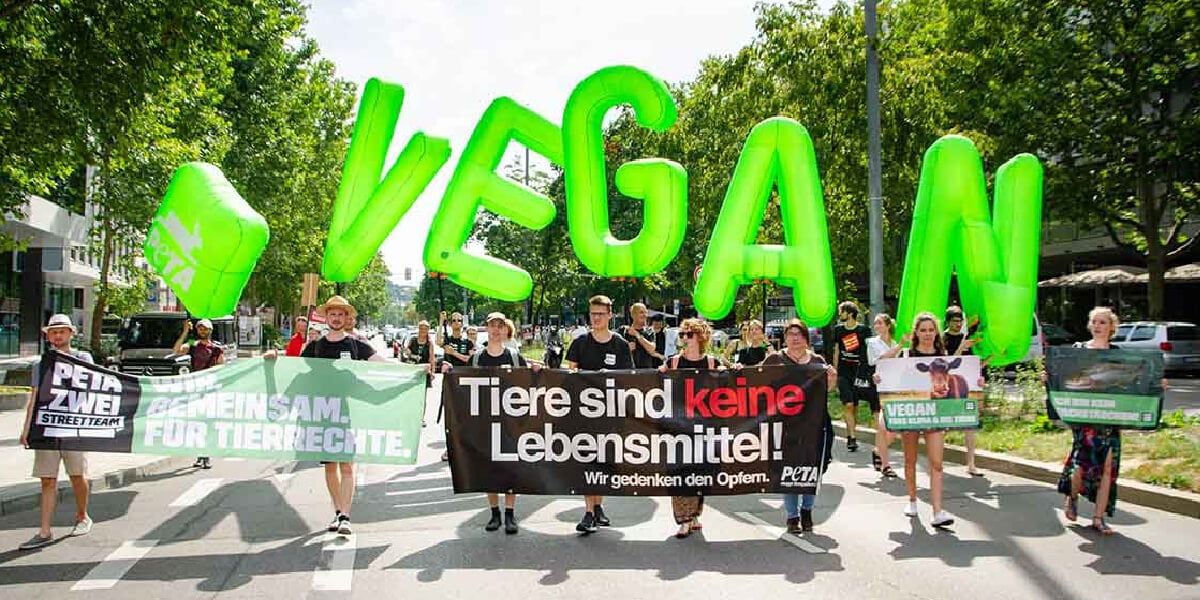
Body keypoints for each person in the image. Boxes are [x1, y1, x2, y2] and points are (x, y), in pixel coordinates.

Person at [268, 295, 391, 536]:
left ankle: (345, 515)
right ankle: (337, 512)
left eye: (341, 314)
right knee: (330, 466)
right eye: (332, 314)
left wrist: (417, 370)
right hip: (321, 413)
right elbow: (295, 370)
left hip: (348, 413)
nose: (336, 318)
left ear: (347, 318)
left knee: (347, 465)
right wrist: (273, 361)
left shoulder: (356, 346)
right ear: (326, 317)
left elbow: (384, 364)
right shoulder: (314, 347)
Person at [442, 312, 540, 534]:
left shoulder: (515, 357)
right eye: (491, 326)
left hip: (510, 422)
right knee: (488, 467)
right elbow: (464, 384)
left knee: (511, 467)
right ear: (487, 329)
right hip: (485, 423)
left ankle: (510, 514)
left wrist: (536, 372)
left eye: (500, 326)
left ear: (506, 330)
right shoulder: (477, 358)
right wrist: (450, 371)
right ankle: (494, 513)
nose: (495, 330)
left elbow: (528, 384)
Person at [17, 314, 95, 550]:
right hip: (47, 428)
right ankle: (44, 531)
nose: (58, 335)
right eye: (53, 332)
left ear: (71, 333)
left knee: (77, 475)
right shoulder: (41, 365)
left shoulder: (83, 358)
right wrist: (27, 428)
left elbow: (96, 389)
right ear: (48, 336)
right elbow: (35, 397)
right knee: (47, 480)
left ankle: (82, 516)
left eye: (62, 331)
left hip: (74, 428)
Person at [876, 312, 957, 528]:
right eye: (923, 330)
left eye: (931, 330)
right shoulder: (906, 355)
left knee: (936, 463)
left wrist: (976, 380)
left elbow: (957, 378)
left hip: (935, 414)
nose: (928, 334)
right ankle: (912, 500)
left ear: (936, 332)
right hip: (911, 413)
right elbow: (883, 366)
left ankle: (937, 511)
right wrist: (880, 377)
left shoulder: (943, 356)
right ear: (916, 333)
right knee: (910, 460)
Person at [1057, 306, 1130, 535]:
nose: (1098, 326)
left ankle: (1098, 519)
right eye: (1095, 322)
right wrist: (1048, 378)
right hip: (1085, 417)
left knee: (1108, 466)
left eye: (1103, 322)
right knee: (1081, 464)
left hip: (1110, 417)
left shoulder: (1118, 354)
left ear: (1112, 327)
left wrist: (1157, 384)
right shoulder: (1079, 350)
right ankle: (1073, 496)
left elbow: (1130, 383)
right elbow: (1065, 378)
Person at [565, 294, 633, 534]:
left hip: (610, 414)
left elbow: (629, 379)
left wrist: (610, 376)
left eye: (600, 314)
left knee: (603, 463)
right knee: (586, 461)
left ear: (609, 316)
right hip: (584, 413)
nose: (595, 318)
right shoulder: (580, 342)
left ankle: (598, 506)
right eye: (592, 314)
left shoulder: (620, 345)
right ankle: (589, 512)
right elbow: (568, 374)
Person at [762, 318, 836, 534]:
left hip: (815, 424)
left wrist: (831, 378)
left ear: (806, 338)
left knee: (812, 468)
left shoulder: (817, 360)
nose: (795, 338)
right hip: (785, 426)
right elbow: (755, 382)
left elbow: (827, 390)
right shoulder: (775, 359)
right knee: (789, 469)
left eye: (799, 334)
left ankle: (807, 511)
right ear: (785, 338)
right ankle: (792, 516)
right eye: (791, 334)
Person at [659, 318, 722, 538]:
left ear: (701, 337)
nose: (684, 338)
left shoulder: (712, 363)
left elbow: (731, 385)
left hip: (704, 428)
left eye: (689, 334)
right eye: (682, 334)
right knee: (679, 472)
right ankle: (683, 519)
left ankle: (694, 515)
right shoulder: (674, 362)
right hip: (677, 427)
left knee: (701, 474)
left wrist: (738, 370)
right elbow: (654, 381)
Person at [174, 317, 225, 470]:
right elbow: (177, 350)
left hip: (209, 388)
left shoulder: (216, 348)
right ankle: (199, 455)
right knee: (196, 422)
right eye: (200, 328)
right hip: (195, 388)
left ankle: (206, 455)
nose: (202, 331)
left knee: (207, 422)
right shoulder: (193, 344)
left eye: (205, 328)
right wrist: (185, 332)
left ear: (210, 330)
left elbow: (222, 367)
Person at [943, 306, 983, 476]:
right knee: (942, 426)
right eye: (955, 321)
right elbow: (946, 363)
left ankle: (971, 464)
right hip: (947, 387)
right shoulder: (942, 338)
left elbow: (974, 364)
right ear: (948, 322)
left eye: (960, 321)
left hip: (966, 387)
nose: (958, 324)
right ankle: (937, 461)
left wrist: (992, 358)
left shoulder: (967, 337)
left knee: (970, 425)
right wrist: (961, 347)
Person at [866, 313, 902, 479]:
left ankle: (877, 451)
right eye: (875, 324)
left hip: (895, 386)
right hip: (879, 386)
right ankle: (886, 465)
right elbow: (880, 359)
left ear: (888, 325)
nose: (877, 326)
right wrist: (900, 346)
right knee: (882, 425)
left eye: (880, 323)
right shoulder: (872, 343)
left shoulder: (894, 343)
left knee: (893, 427)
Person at [832, 301, 872, 452]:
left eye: (841, 311)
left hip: (858, 372)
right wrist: (835, 372)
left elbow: (868, 352)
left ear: (849, 313)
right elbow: (836, 350)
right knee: (848, 404)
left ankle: (851, 432)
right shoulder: (838, 330)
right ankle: (852, 438)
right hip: (843, 372)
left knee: (854, 406)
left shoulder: (864, 330)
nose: (839, 314)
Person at [619, 303, 662, 369]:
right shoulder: (624, 330)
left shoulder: (649, 331)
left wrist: (637, 335)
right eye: (641, 312)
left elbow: (651, 350)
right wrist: (626, 349)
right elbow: (616, 350)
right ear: (633, 315)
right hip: (627, 371)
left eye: (646, 312)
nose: (644, 315)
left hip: (645, 372)